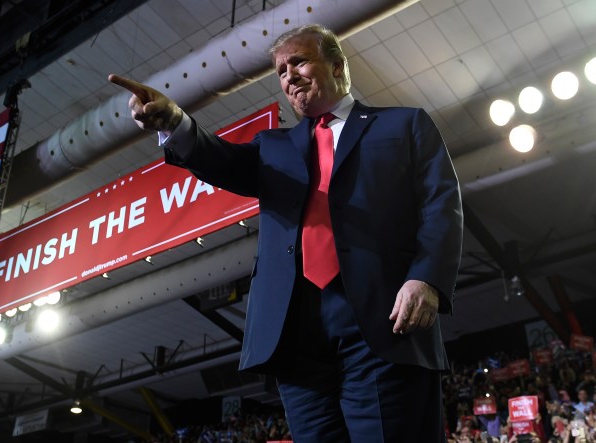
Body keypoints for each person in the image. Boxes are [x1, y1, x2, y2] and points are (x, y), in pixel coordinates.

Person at [109, 23, 463, 442]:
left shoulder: (403, 124)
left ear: (337, 65)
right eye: (280, 70)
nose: (289, 75)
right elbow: (219, 160)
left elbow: (441, 204)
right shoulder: (272, 147)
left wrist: (426, 278)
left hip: (385, 319)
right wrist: (174, 122)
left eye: (299, 61)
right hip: (294, 338)